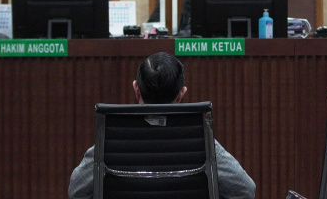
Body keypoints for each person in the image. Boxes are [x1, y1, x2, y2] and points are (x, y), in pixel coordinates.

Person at [68, 52, 256, 199]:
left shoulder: (112, 138)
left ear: (136, 89)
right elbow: (245, 190)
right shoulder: (200, 140)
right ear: (181, 94)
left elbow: (76, 191)